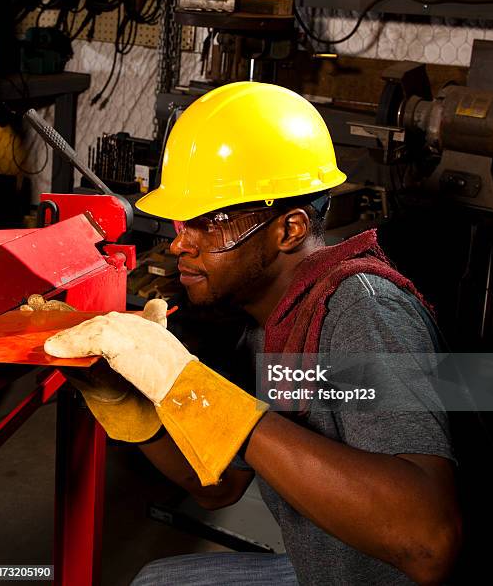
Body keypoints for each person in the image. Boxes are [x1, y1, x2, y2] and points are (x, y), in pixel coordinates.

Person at [46, 82, 461, 585]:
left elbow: (428, 542)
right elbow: (220, 485)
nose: (180, 243)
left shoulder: (362, 311)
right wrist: (135, 404)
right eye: (181, 221)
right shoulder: (274, 324)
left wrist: (190, 385)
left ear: (289, 228)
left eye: (209, 223)